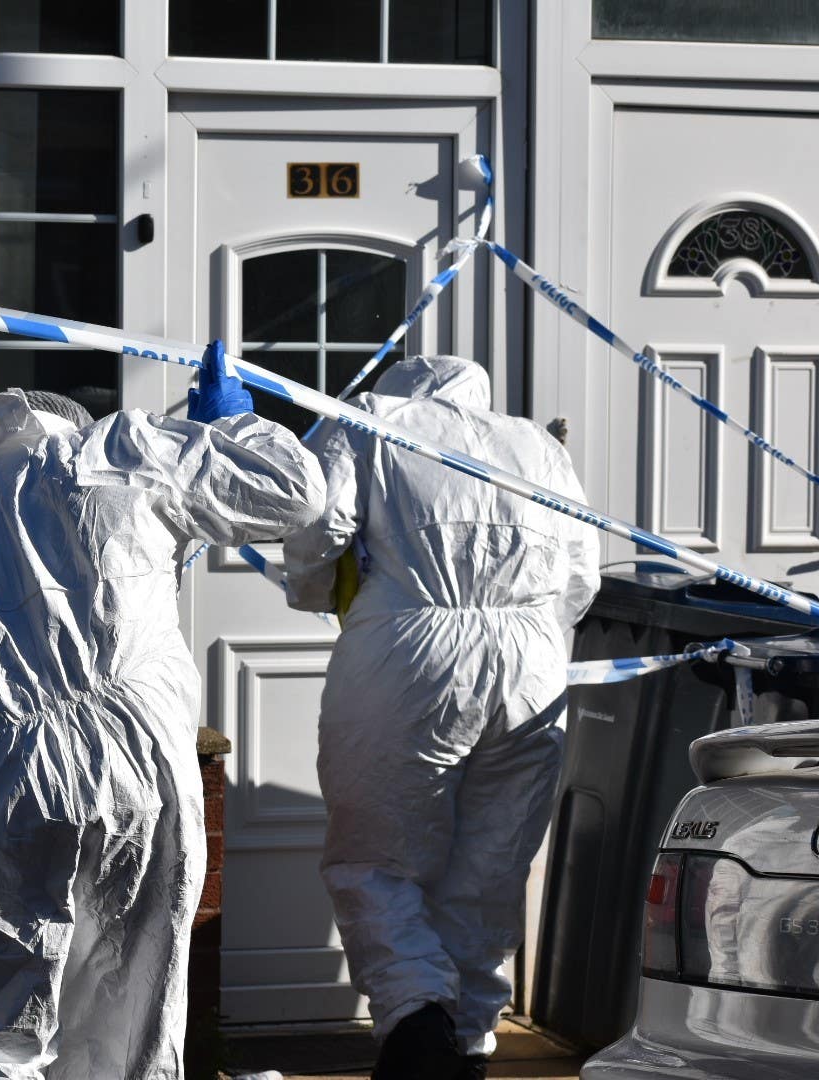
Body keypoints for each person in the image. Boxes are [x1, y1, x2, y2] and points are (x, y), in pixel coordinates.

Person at [0, 343, 326, 1078]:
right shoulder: (119, 456)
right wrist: (229, 431)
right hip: (139, 762)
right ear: (68, 428)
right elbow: (292, 492)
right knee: (125, 1020)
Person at [282, 355, 601, 1080]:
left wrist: (315, 591)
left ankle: (417, 1023)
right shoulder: (537, 444)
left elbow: (314, 526)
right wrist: (527, 630)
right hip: (533, 660)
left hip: (409, 650)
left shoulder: (371, 420)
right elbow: (583, 574)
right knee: (489, 868)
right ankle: (470, 1041)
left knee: (376, 859)